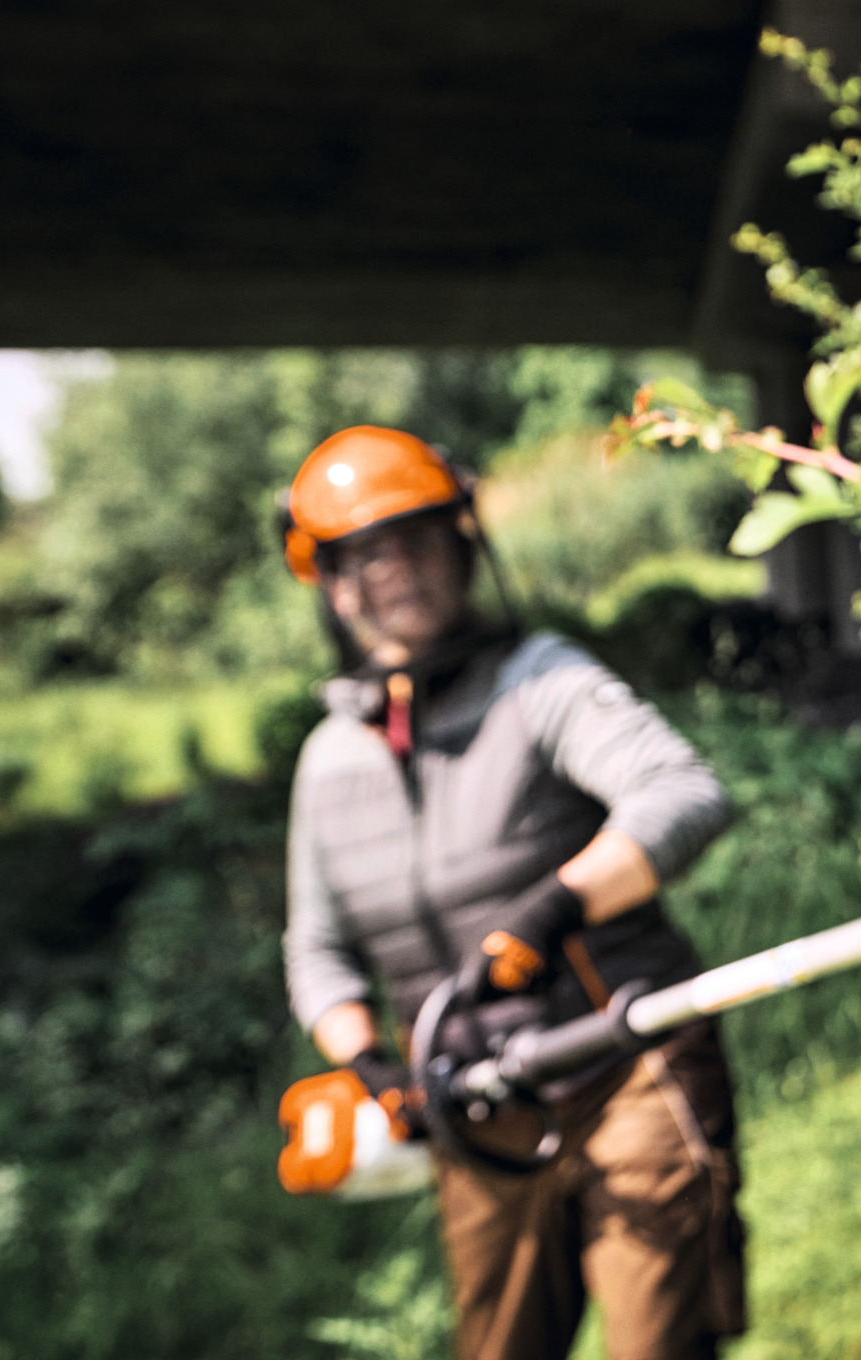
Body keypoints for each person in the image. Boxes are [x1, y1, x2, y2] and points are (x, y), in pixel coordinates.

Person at [277, 425, 744, 1360]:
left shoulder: (542, 681)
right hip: (473, 1105)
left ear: (463, 545)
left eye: (416, 537)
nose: (396, 567)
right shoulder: (328, 760)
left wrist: (554, 909)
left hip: (625, 1061)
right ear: (330, 584)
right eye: (364, 553)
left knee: (656, 1341)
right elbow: (317, 951)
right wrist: (369, 1060)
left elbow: (685, 794)